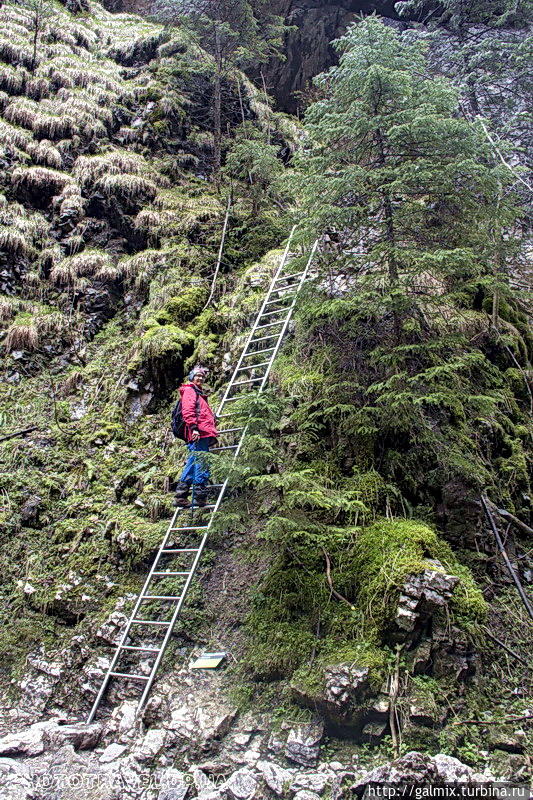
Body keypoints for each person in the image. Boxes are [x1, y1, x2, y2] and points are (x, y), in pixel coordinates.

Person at [174, 367, 218, 508]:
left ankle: (181, 496)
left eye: (202, 377)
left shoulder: (196, 393)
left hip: (201, 431)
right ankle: (200, 496)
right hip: (199, 432)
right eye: (197, 376)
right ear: (191, 376)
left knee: (193, 461)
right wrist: (194, 428)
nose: (200, 378)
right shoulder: (190, 391)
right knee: (202, 461)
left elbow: (200, 412)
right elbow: (188, 410)